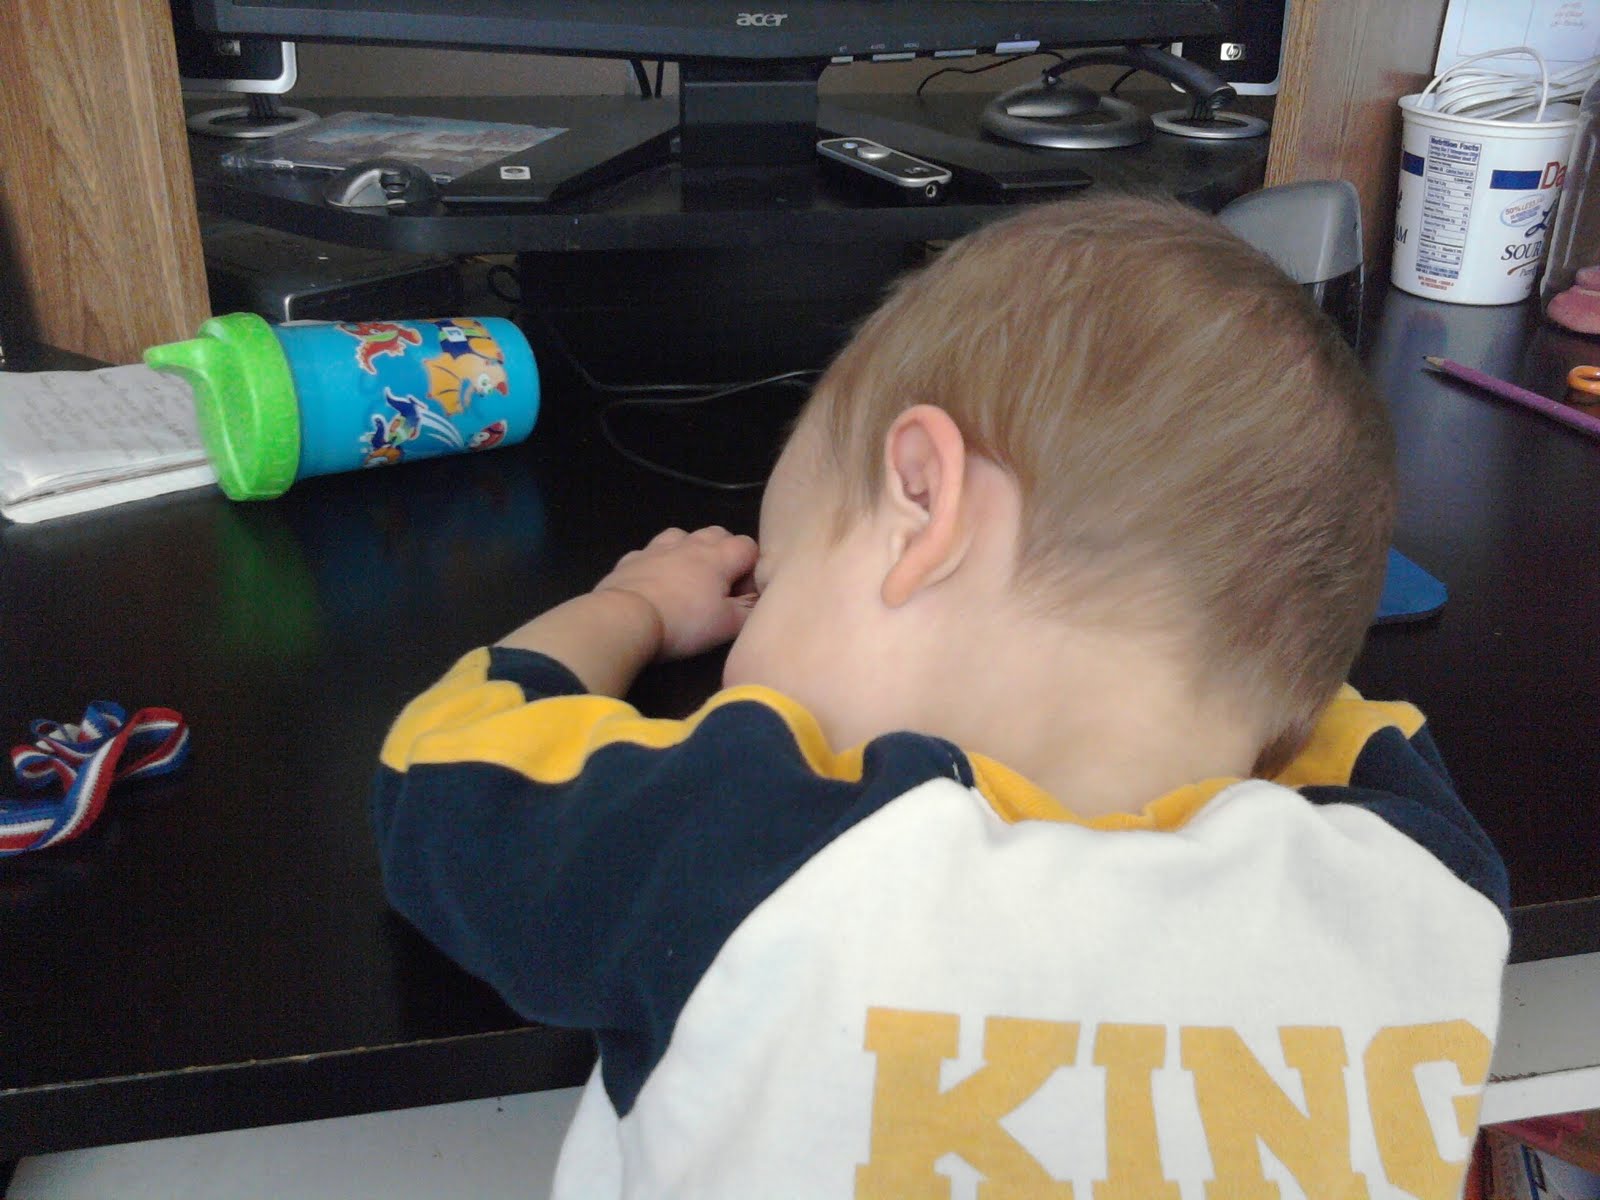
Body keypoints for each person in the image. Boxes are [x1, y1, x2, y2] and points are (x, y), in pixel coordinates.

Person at [373, 195, 1509, 1198]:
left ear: (921, 502)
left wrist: (634, 605)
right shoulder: (1423, 888)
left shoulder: (761, 858)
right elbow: (1361, 728)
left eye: (778, 576)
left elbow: (447, 773)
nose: (740, 645)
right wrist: (1257, 649)